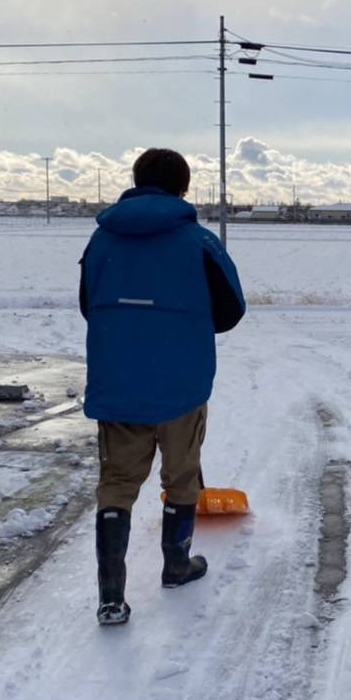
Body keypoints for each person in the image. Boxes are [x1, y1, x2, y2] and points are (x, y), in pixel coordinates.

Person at [79, 147, 246, 626]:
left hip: (117, 382)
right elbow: (231, 310)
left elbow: (89, 303)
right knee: (181, 474)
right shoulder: (199, 242)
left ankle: (111, 595)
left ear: (135, 181)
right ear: (183, 187)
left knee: (116, 483)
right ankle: (176, 564)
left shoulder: (100, 241)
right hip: (182, 383)